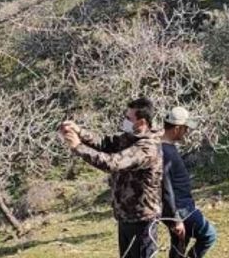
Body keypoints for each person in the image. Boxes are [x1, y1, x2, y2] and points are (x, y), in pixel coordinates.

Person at [59, 98, 165, 258]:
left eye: (129, 118)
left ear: (142, 122)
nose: (125, 121)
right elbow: (105, 143)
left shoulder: (147, 148)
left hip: (142, 220)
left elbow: (112, 163)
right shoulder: (129, 137)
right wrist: (79, 131)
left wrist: (78, 147)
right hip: (125, 217)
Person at [160, 107, 218, 258]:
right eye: (185, 128)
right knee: (209, 235)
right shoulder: (165, 152)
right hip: (181, 209)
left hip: (180, 208)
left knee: (179, 245)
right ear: (177, 128)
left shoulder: (166, 148)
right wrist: (175, 217)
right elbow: (165, 187)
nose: (187, 132)